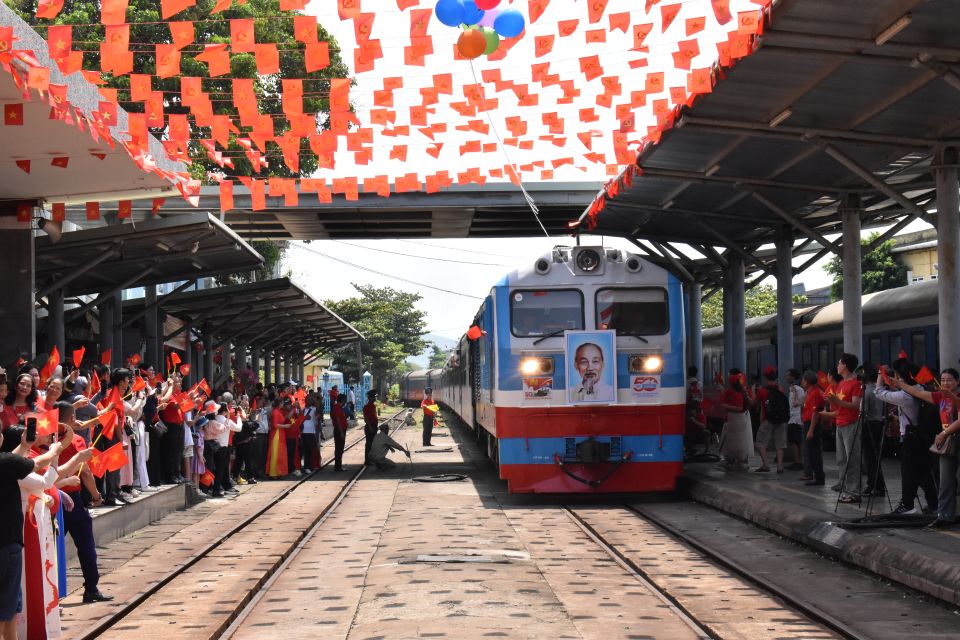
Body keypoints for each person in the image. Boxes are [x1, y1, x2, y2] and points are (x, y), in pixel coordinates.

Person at [55, 404, 112, 604]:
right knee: (86, 545)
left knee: (51, 546)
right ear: (71, 418)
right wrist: (96, 496)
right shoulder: (76, 440)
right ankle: (91, 588)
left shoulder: (46, 440)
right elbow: (85, 472)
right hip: (73, 501)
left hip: (51, 499)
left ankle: (49, 591)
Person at [875, 359, 938, 515]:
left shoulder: (904, 395)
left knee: (910, 473)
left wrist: (880, 377)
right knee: (922, 472)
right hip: (921, 437)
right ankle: (931, 503)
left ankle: (908, 505)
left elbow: (879, 393)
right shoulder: (920, 388)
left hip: (910, 439)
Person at [902, 369, 960, 527]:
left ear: (957, 382)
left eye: (949, 380)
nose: (945, 383)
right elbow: (919, 394)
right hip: (947, 442)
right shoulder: (940, 397)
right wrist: (900, 384)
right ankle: (944, 516)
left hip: (952, 438)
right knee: (945, 481)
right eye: (943, 380)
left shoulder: (956, 397)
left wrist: (943, 433)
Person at [0, 428, 43, 640]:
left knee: (9, 609)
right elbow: (38, 465)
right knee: (7, 608)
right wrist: (56, 449)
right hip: (6, 544)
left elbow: (11, 461)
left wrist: (25, 446)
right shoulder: (6, 463)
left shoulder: (6, 462)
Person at [822, 353, 863, 504]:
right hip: (839, 423)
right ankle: (846, 488)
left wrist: (837, 401)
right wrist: (830, 406)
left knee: (852, 458)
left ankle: (854, 492)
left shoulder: (855, 384)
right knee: (841, 459)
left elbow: (855, 406)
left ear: (845, 365)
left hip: (850, 424)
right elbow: (838, 406)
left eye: (839, 363)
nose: (837, 366)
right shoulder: (840, 384)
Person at [754, 365, 788, 473]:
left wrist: (750, 392)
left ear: (765, 377)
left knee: (760, 443)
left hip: (767, 420)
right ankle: (779, 467)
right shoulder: (780, 389)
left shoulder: (761, 391)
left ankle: (766, 464)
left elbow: (753, 403)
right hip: (781, 420)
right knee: (780, 444)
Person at [860, 365, 887, 498]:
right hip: (879, 423)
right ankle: (876, 485)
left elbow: (863, 412)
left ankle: (874, 485)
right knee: (875, 457)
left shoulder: (867, 392)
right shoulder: (879, 391)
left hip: (869, 424)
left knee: (870, 458)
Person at [719, 369, 753, 469]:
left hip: (734, 418)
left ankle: (732, 460)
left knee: (731, 440)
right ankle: (742, 460)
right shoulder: (744, 389)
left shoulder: (731, 391)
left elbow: (737, 407)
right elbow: (751, 403)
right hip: (744, 417)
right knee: (743, 439)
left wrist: (726, 406)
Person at [799, 370, 825, 486]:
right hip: (808, 423)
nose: (802, 382)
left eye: (803, 379)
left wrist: (811, 430)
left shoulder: (815, 393)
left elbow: (816, 412)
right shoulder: (809, 393)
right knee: (810, 452)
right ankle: (817, 476)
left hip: (812, 424)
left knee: (814, 452)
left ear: (807, 381)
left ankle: (819, 477)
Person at [785, 369, 806, 471]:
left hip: (796, 418)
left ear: (793, 377)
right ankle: (797, 460)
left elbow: (800, 403)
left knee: (795, 441)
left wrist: (801, 419)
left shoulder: (798, 389)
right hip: (793, 417)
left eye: (788, 375)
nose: (786, 377)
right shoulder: (792, 388)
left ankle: (798, 461)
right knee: (795, 440)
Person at [299, 397, 320, 474]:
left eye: (310, 400)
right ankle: (307, 466)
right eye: (307, 400)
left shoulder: (314, 409)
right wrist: (304, 417)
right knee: (306, 450)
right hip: (304, 432)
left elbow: (319, 411)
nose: (308, 401)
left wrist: (315, 400)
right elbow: (300, 418)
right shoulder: (303, 409)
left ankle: (310, 466)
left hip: (311, 432)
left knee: (311, 449)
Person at [331, 394, 349, 471]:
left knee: (339, 448)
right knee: (339, 448)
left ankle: (338, 465)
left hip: (339, 429)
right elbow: (338, 420)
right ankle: (338, 466)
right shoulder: (337, 407)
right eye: (345, 400)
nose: (346, 401)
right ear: (343, 400)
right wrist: (341, 432)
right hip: (339, 430)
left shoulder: (338, 407)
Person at [363, 390, 379, 465]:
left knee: (373, 444)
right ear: (370, 398)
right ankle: (367, 460)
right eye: (373, 397)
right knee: (369, 444)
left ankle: (371, 459)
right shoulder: (366, 407)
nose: (375, 399)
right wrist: (370, 428)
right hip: (370, 427)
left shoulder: (373, 406)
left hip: (374, 426)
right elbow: (366, 419)